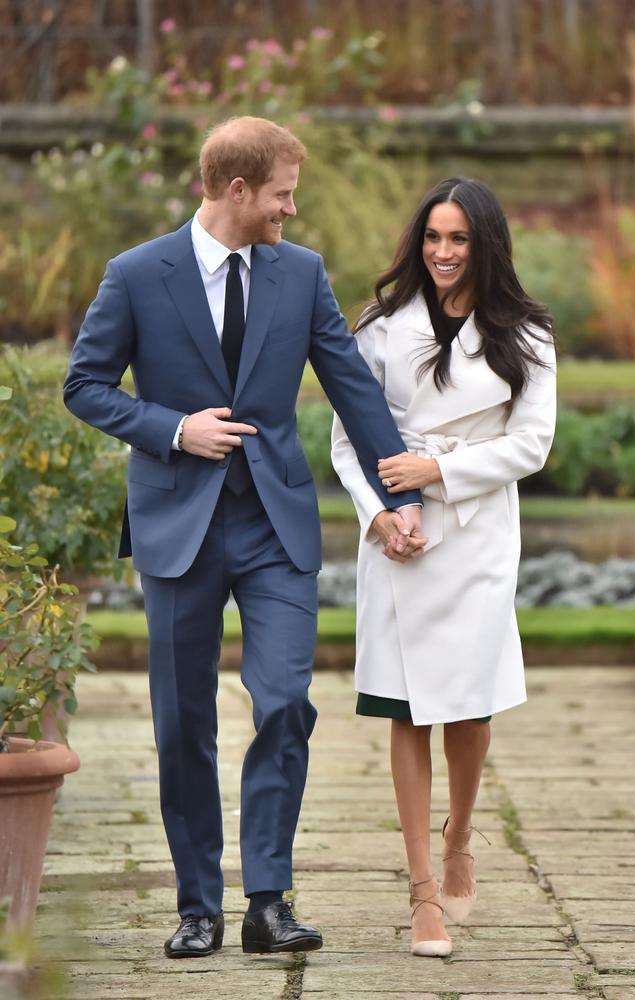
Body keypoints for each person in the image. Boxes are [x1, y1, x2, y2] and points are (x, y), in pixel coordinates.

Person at [63, 116, 425, 959]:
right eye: (282, 194)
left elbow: (352, 390)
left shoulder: (300, 275)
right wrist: (172, 427)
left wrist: (398, 489)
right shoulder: (135, 274)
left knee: (285, 700)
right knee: (182, 718)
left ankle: (268, 900)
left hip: (274, 525)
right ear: (236, 191)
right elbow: (85, 385)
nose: (291, 211)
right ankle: (198, 907)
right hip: (177, 524)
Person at [331, 177, 556, 957]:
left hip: (476, 532)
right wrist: (383, 514)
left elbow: (532, 444)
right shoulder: (380, 327)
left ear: (485, 244)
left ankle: (461, 831)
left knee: (466, 708)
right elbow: (347, 441)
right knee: (403, 708)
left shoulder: (524, 333)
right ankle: (422, 886)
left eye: (458, 238)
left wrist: (438, 475)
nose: (443, 252)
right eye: (432, 237)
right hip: (401, 540)